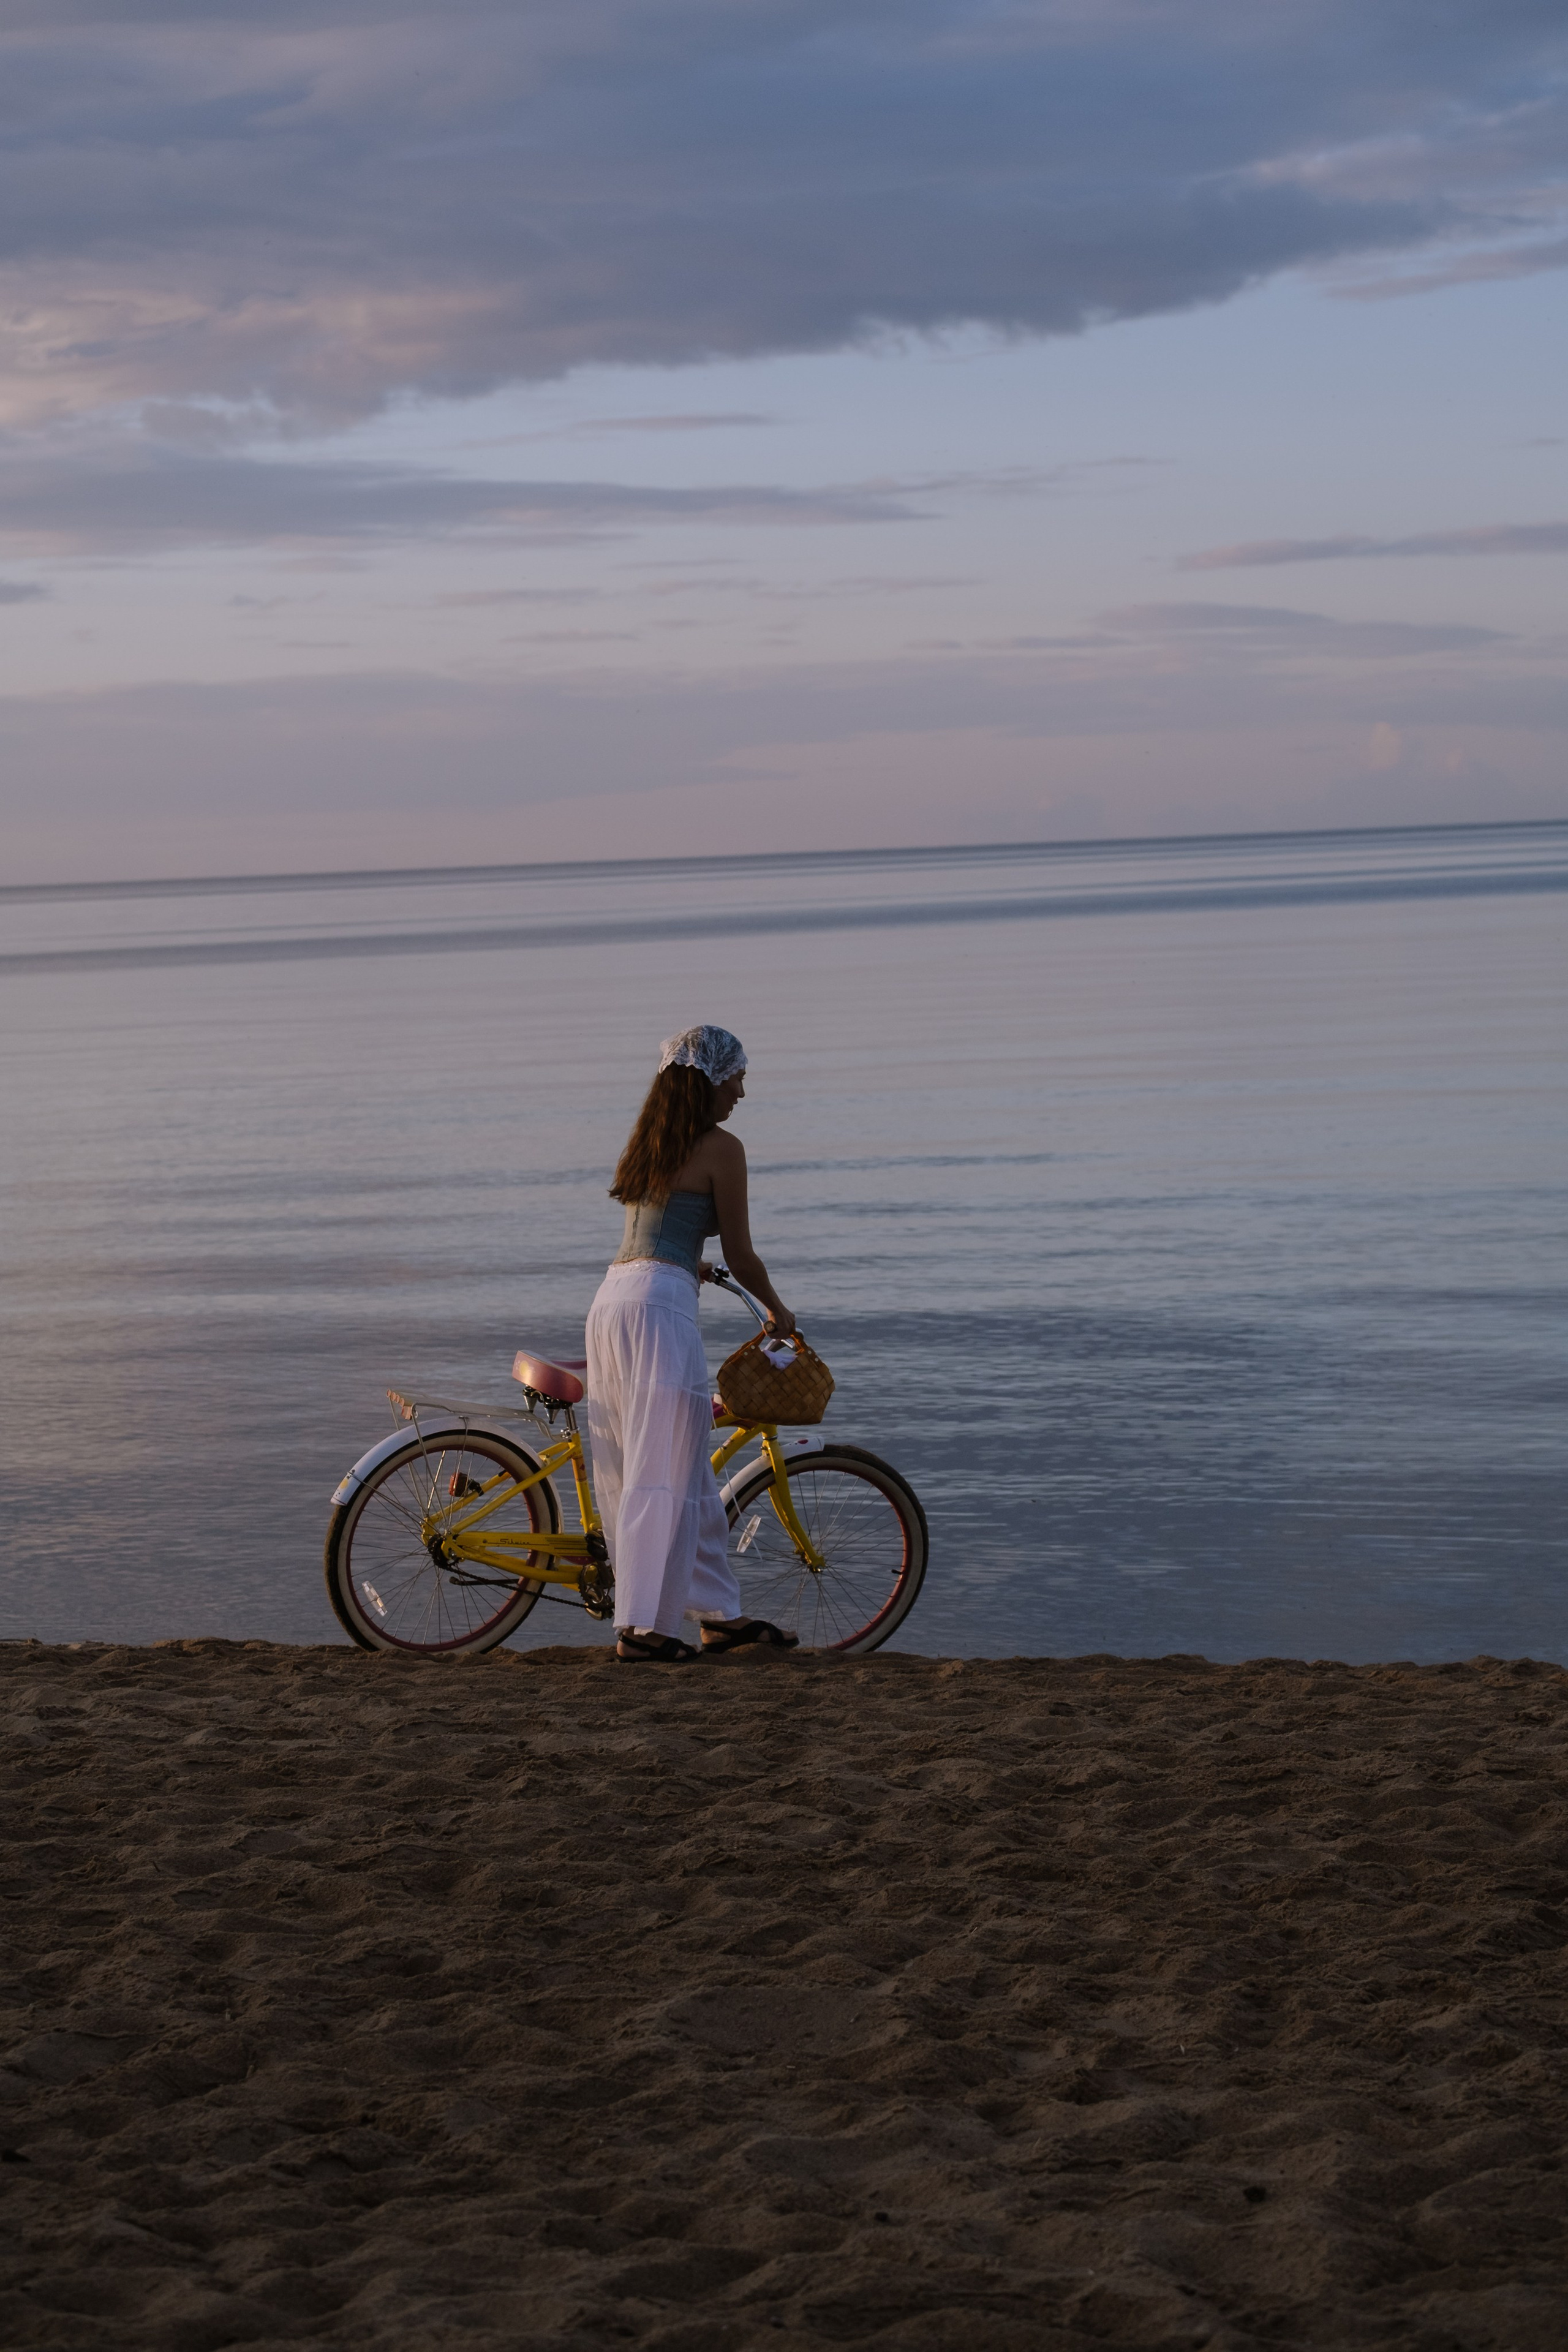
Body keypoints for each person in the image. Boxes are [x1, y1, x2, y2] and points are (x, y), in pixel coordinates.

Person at [585, 1024, 801, 1663]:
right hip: (659, 1311)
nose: (741, 1090)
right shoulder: (722, 1149)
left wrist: (692, 1266)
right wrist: (778, 1312)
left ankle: (719, 1616)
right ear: (708, 1079)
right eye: (734, 1076)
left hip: (613, 1299)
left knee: (667, 1469)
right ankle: (644, 1630)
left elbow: (656, 1235)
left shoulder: (650, 1142)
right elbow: (742, 1251)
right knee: (660, 1470)